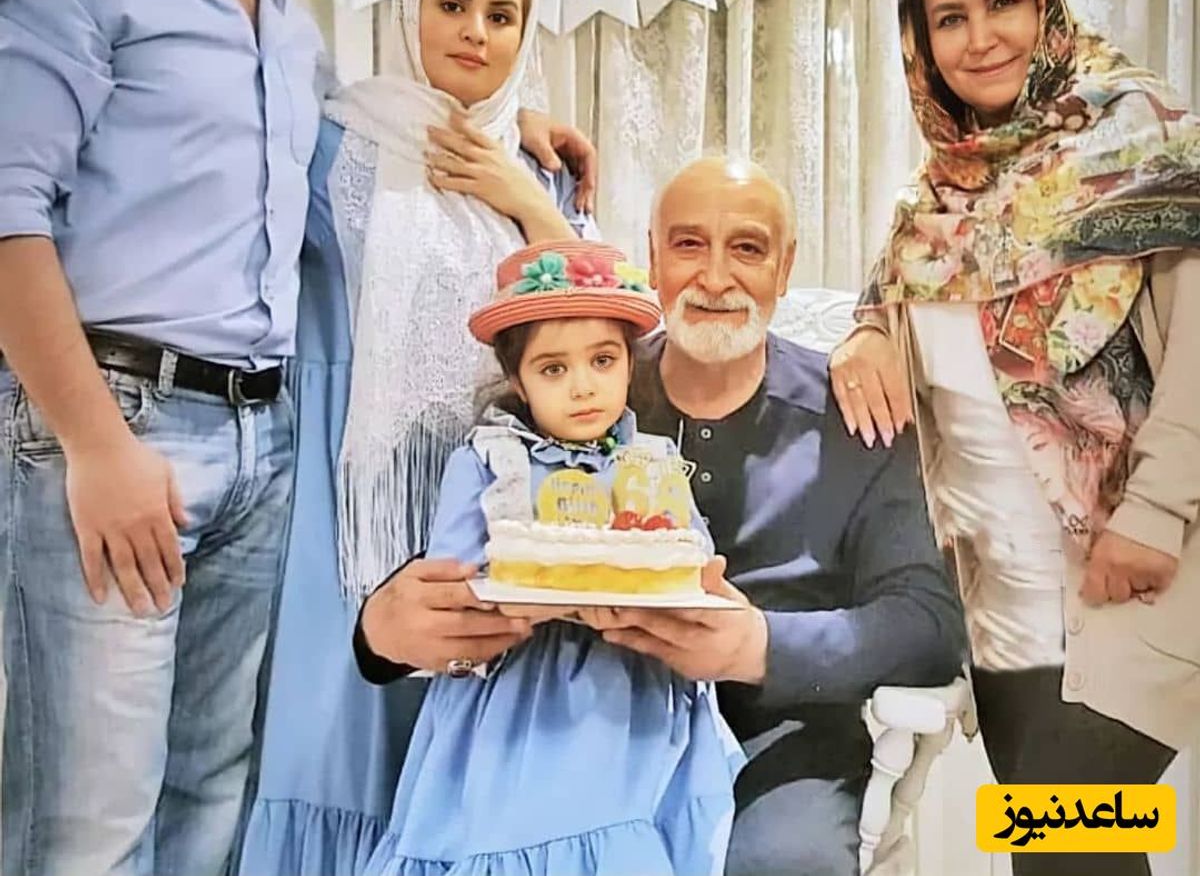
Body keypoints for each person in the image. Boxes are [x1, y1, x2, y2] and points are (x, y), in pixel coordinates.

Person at [0, 0, 594, 876]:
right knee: (91, 814)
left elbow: (565, 295)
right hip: (130, 420)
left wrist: (527, 160)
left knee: (209, 798)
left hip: (266, 444)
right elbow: (8, 207)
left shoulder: (289, 34)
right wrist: (94, 440)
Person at [357, 156, 966, 876]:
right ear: (653, 256)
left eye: (747, 248)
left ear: (784, 267)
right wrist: (382, 634)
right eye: (688, 244)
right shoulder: (584, 376)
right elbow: (490, 520)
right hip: (580, 724)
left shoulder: (855, 417)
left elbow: (928, 625)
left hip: (777, 738)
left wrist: (758, 647)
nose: (715, 277)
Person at [828, 0, 1200, 876]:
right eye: (948, 18)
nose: (980, 36)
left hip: (1136, 578)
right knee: (1074, 857)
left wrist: (1156, 513)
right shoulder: (937, 197)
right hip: (1003, 608)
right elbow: (896, 295)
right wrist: (865, 327)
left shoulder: (1144, 138)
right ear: (921, 41)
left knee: (1065, 843)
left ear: (1047, 7)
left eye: (1003, 3)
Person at [238, 0, 599, 875]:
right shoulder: (336, 141)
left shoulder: (543, 175)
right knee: (333, 737)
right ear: (412, 14)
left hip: (486, 494)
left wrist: (526, 201)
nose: (474, 32)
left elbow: (594, 327)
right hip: (343, 480)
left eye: (501, 16)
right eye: (452, 5)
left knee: (460, 738)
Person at [356, 237, 742, 875]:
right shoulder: (489, 461)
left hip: (636, 696)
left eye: (602, 360)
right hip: (521, 703)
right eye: (554, 369)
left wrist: (697, 591)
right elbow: (458, 578)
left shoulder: (653, 463)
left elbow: (687, 558)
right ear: (518, 380)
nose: (583, 387)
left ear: (629, 364)